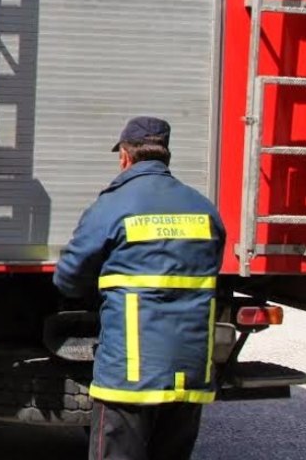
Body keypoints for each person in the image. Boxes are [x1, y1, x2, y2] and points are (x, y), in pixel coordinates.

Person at [53, 117, 226, 460]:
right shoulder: (204, 209)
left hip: (128, 374)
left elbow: (68, 277)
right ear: (166, 156)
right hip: (189, 373)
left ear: (125, 157)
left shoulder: (112, 206)